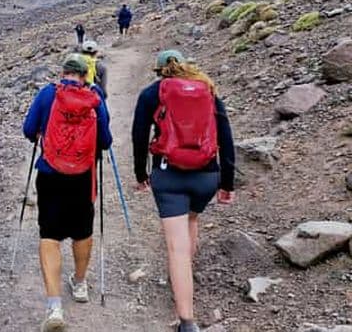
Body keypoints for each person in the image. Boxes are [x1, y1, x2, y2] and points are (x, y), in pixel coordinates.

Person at [131, 50, 235, 332]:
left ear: (159, 71)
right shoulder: (207, 89)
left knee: (176, 247)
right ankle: (184, 277)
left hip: (169, 175)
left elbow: (139, 137)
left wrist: (141, 175)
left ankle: (187, 321)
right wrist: (227, 183)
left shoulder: (152, 94)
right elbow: (225, 137)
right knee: (192, 219)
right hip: (206, 175)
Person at [23, 53, 112, 332]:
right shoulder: (95, 97)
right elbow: (106, 141)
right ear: (86, 74)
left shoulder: (48, 94)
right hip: (84, 177)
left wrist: (43, 136)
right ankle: (81, 283)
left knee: (49, 234)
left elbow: (28, 129)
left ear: (63, 72)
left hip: (50, 174)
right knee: (82, 230)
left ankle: (54, 306)